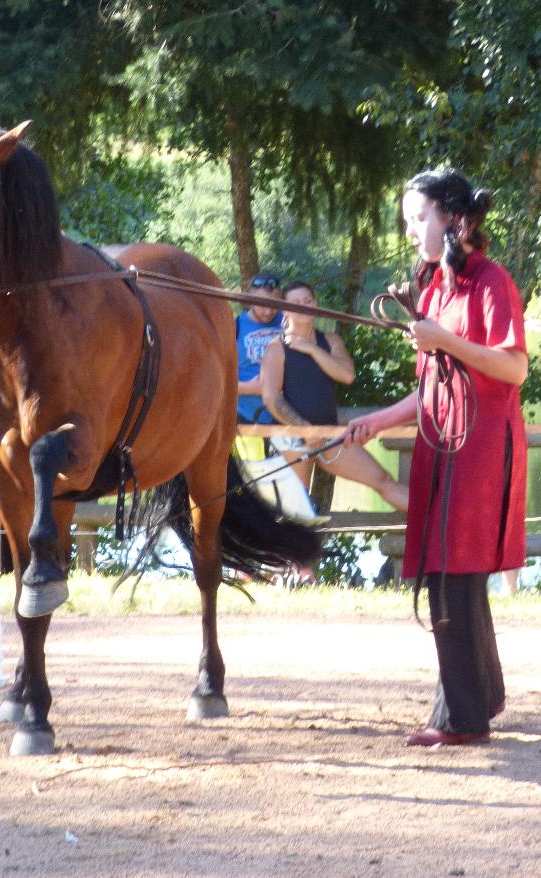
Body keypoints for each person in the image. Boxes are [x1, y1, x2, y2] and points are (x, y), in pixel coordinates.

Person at [345, 169, 527, 747]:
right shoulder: (437, 290)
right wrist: (379, 420)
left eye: (418, 218)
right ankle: (485, 694)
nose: (411, 230)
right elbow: (432, 385)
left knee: (454, 569)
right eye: (407, 221)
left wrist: (444, 340)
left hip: (480, 445)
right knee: (454, 570)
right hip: (441, 440)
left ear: (451, 218)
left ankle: (461, 719)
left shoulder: (492, 282)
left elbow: (514, 367)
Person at [260, 281, 408, 514]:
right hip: (292, 435)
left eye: (308, 301)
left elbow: (347, 375)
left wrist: (310, 349)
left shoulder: (330, 341)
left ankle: (436, 522)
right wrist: (304, 429)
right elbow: (271, 399)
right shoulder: (275, 348)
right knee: (296, 509)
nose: (304, 307)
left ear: (316, 303)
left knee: (383, 479)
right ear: (285, 309)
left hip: (330, 434)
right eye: (295, 303)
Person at [235, 273, 283, 427]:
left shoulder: (289, 323)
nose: (268, 311)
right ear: (250, 300)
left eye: (274, 304)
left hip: (286, 416)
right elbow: (218, 380)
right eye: (262, 304)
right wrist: (250, 388)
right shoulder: (234, 327)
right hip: (244, 417)